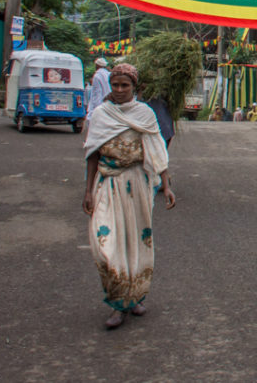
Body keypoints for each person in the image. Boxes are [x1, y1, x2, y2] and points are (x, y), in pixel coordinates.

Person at [82, 63, 176, 329]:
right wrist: (88, 190)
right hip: (107, 184)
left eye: (125, 85)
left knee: (136, 242)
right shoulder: (101, 115)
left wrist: (166, 186)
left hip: (136, 184)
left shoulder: (144, 114)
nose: (120, 90)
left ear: (135, 88)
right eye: (116, 85)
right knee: (106, 246)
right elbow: (92, 155)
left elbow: (157, 150)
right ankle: (116, 298)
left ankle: (132, 298)